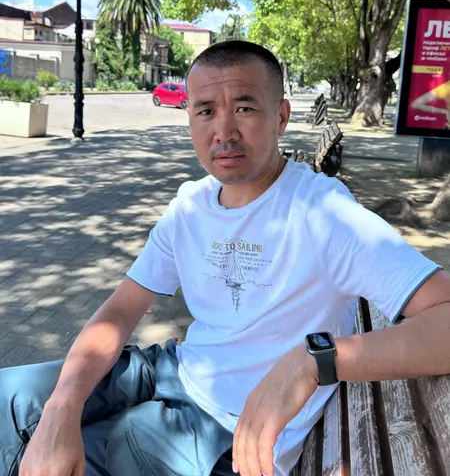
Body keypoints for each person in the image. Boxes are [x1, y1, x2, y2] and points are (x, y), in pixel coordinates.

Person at [1, 41, 450, 476]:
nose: (224, 132)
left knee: (44, 463)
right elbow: (120, 310)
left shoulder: (324, 212)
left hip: (222, 432)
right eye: (206, 111)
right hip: (172, 369)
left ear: (281, 117)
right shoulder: (190, 205)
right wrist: (62, 405)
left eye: (244, 108)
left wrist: (315, 361)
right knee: (12, 399)